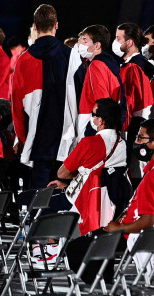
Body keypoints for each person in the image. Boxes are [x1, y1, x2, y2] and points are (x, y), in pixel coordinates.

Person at [65, 120, 154, 287]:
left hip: (134, 235)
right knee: (98, 240)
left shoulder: (153, 177)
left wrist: (119, 228)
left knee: (75, 248)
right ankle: (107, 286)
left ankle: (104, 292)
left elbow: (147, 221)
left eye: (140, 138)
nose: (135, 142)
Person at [12, 4, 72, 188]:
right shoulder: (70, 56)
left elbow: (16, 104)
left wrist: (23, 138)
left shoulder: (24, 59)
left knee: (38, 199)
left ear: (35, 27)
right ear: (57, 25)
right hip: (67, 138)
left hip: (37, 138)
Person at [49, 98, 129, 235]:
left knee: (38, 203)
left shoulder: (89, 143)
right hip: (111, 202)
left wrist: (77, 178)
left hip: (83, 199)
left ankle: (49, 248)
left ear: (101, 120)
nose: (92, 118)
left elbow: (62, 174)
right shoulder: (123, 144)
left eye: (94, 115)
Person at [115, 23, 154, 179]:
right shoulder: (141, 65)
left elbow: (130, 100)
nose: (115, 42)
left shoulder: (134, 67)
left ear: (129, 42)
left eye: (118, 38)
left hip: (131, 124)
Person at [75, 25, 126, 139]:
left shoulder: (96, 65)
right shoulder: (109, 64)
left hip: (95, 122)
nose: (80, 44)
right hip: (110, 121)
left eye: (85, 40)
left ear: (97, 45)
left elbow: (102, 99)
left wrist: (97, 125)